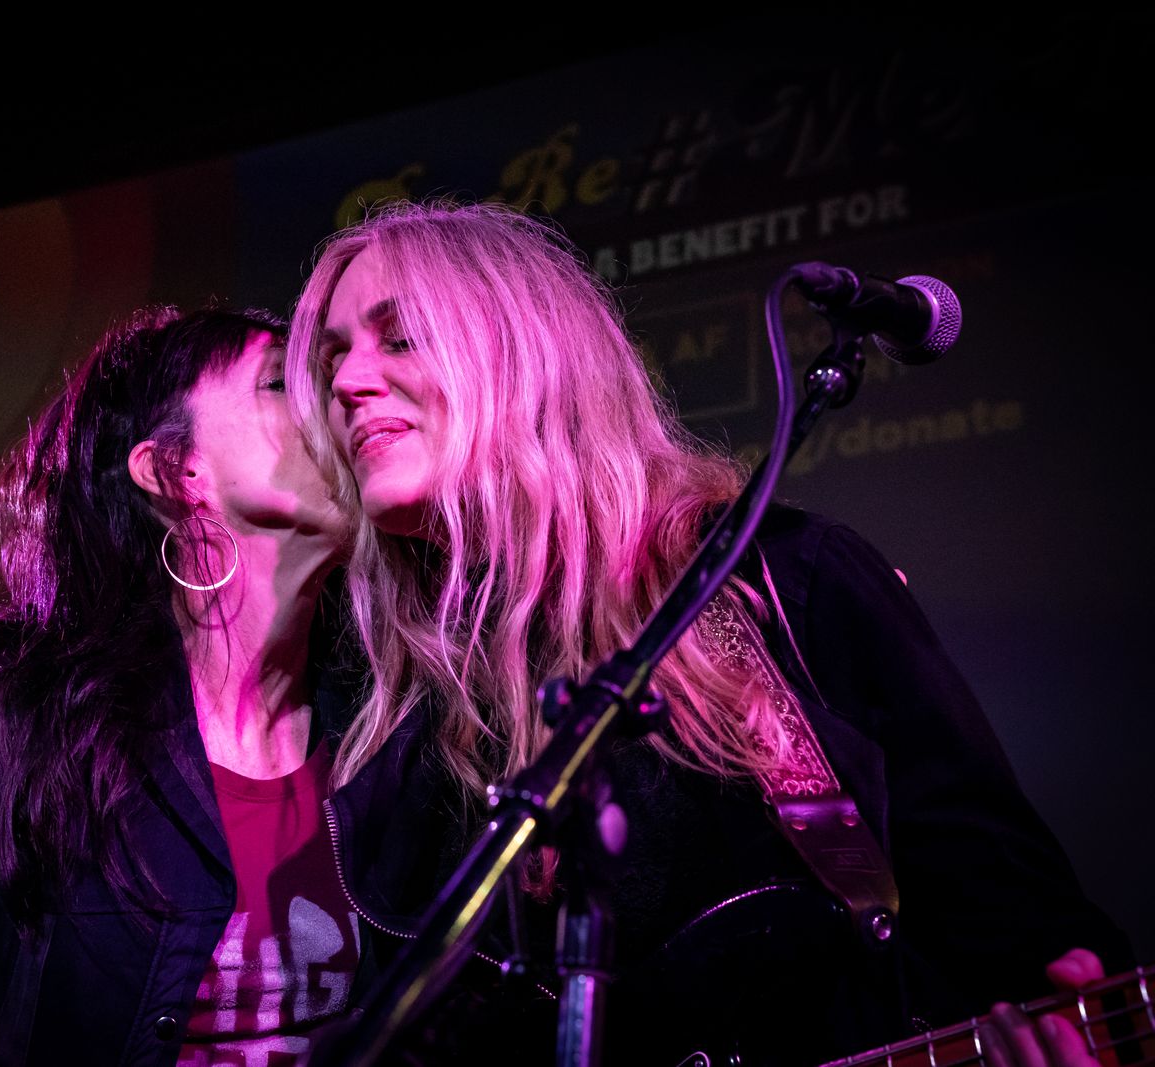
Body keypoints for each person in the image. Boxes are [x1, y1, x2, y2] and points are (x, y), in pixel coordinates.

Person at [283, 201, 1134, 1066]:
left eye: (400, 338)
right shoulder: (395, 744)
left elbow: (1018, 924)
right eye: (333, 357)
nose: (347, 382)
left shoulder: (784, 585)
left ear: (523, 357)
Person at [0, 306, 476, 1067]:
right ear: (174, 472)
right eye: (279, 383)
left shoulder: (402, 728)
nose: (329, 402)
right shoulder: (20, 725)